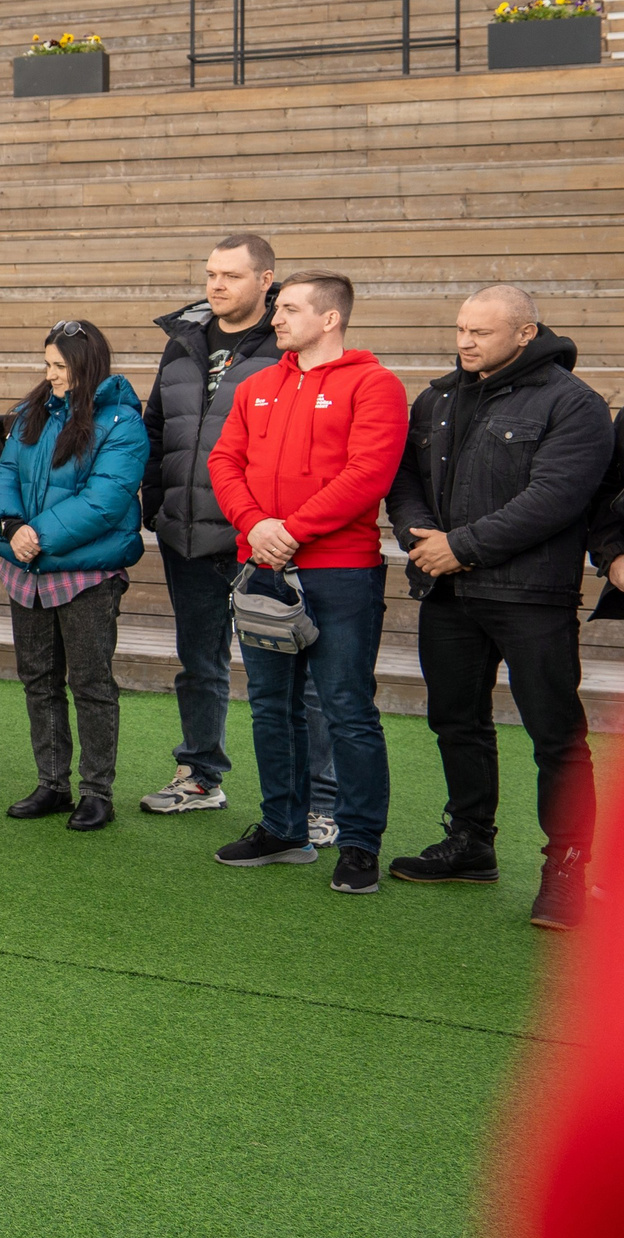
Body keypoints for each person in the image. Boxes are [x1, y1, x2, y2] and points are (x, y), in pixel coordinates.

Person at [385, 285, 610, 930]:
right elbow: (403, 480)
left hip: (531, 596)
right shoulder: (437, 398)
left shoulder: (575, 405)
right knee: (455, 721)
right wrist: (421, 539)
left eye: (479, 332)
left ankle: (566, 866)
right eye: (460, 329)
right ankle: (470, 843)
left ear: (525, 333)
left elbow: (556, 498)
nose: (464, 342)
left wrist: (463, 547)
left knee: (555, 736)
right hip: (448, 592)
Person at [208, 271, 409, 895]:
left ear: (330, 319)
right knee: (271, 706)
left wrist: (289, 530)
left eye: (289, 309)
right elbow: (224, 460)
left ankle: (358, 844)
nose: (276, 319)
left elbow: (368, 474)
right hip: (263, 569)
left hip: (340, 572)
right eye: (277, 309)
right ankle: (283, 828)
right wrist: (254, 526)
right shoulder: (257, 384)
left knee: (347, 709)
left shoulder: (374, 385)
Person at [137, 234, 338, 843]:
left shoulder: (287, 344)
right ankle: (201, 775)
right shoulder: (181, 342)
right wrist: (157, 505)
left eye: (229, 275)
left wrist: (274, 526)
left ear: (266, 280)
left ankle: (318, 801)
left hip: (265, 539)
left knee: (300, 677)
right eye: (209, 274)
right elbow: (155, 429)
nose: (215, 285)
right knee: (199, 663)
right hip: (187, 534)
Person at [0, 320, 150, 831]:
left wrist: (36, 536)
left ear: (86, 365)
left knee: (90, 682)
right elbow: (4, 474)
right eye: (47, 365)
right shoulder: (31, 412)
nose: (51, 375)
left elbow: (105, 501)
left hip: (85, 575)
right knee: (39, 680)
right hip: (27, 571)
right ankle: (52, 783)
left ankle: (97, 791)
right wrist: (10, 527)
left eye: (60, 366)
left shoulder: (121, 421)